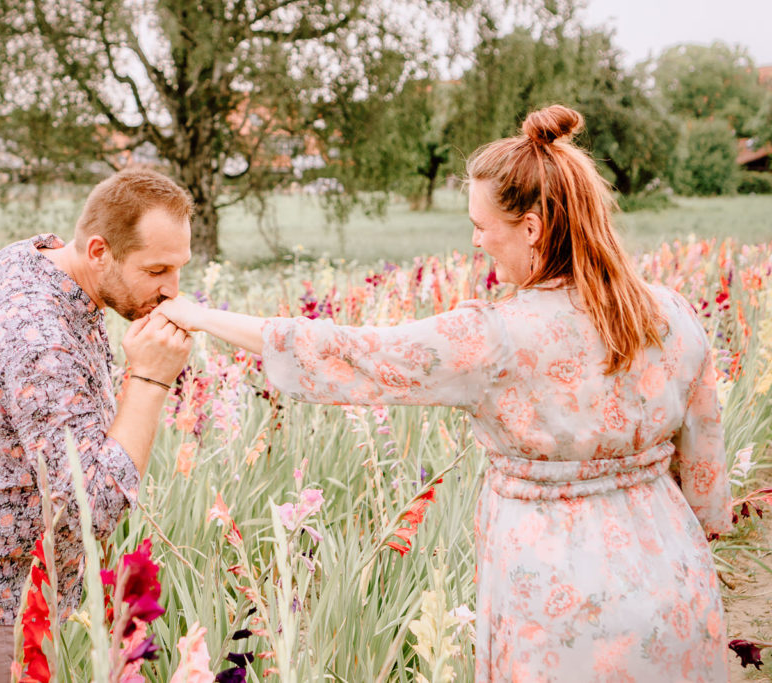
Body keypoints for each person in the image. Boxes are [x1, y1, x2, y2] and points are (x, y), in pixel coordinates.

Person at [154, 105, 731, 681]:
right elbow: (704, 471)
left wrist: (198, 318)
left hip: (561, 605)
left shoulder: (496, 336)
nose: (476, 240)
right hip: (674, 582)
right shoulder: (672, 313)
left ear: (531, 228)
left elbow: (351, 352)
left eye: (483, 225)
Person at [0, 167, 195, 681]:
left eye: (179, 268)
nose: (173, 291)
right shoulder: (38, 335)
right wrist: (151, 380)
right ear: (99, 251)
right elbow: (92, 508)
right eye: (157, 270)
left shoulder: (35, 260)